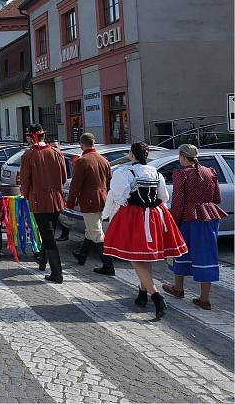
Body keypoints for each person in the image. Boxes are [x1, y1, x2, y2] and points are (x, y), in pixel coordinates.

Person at [102, 142, 187, 319]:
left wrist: (112, 213)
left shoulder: (124, 173)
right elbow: (164, 197)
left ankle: (156, 297)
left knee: (136, 257)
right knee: (144, 256)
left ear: (132, 155)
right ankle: (142, 294)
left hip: (135, 216)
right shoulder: (155, 172)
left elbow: (119, 196)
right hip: (156, 214)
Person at [163, 144, 227, 311]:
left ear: (183, 157)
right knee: (207, 255)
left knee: (181, 251)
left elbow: (178, 202)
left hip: (188, 217)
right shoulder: (210, 171)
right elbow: (217, 198)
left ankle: (178, 288)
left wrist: (174, 221)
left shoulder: (181, 174)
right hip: (209, 216)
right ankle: (204, 299)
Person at [20, 124, 67, 284]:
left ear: (31, 137)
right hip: (56, 199)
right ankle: (43, 263)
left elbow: (25, 180)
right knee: (50, 233)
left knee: (48, 237)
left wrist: (24, 194)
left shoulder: (28, 155)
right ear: (43, 136)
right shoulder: (56, 152)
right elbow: (63, 178)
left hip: (39, 200)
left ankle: (57, 273)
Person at [67, 133, 114, 275]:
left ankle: (108, 265)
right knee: (91, 229)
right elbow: (109, 181)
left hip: (89, 200)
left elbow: (76, 185)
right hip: (103, 199)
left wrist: (70, 201)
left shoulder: (83, 161)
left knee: (96, 232)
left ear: (82, 144)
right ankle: (82, 255)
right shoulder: (104, 160)